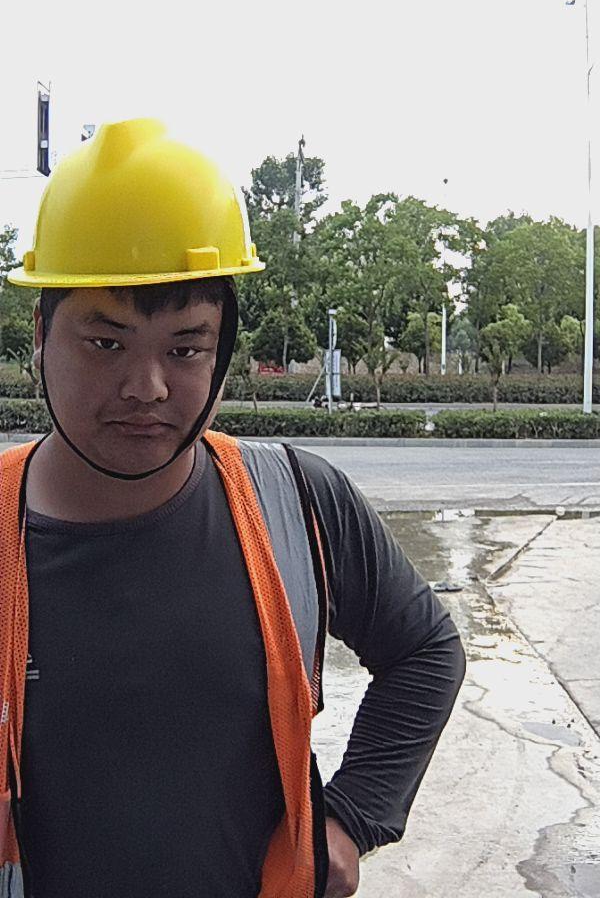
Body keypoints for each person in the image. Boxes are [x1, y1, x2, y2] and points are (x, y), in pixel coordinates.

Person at [0, 119, 465, 898]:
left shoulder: (297, 502)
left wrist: (352, 818)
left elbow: (424, 651)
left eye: (185, 347)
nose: (147, 387)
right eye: (106, 343)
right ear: (42, 336)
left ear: (221, 349)